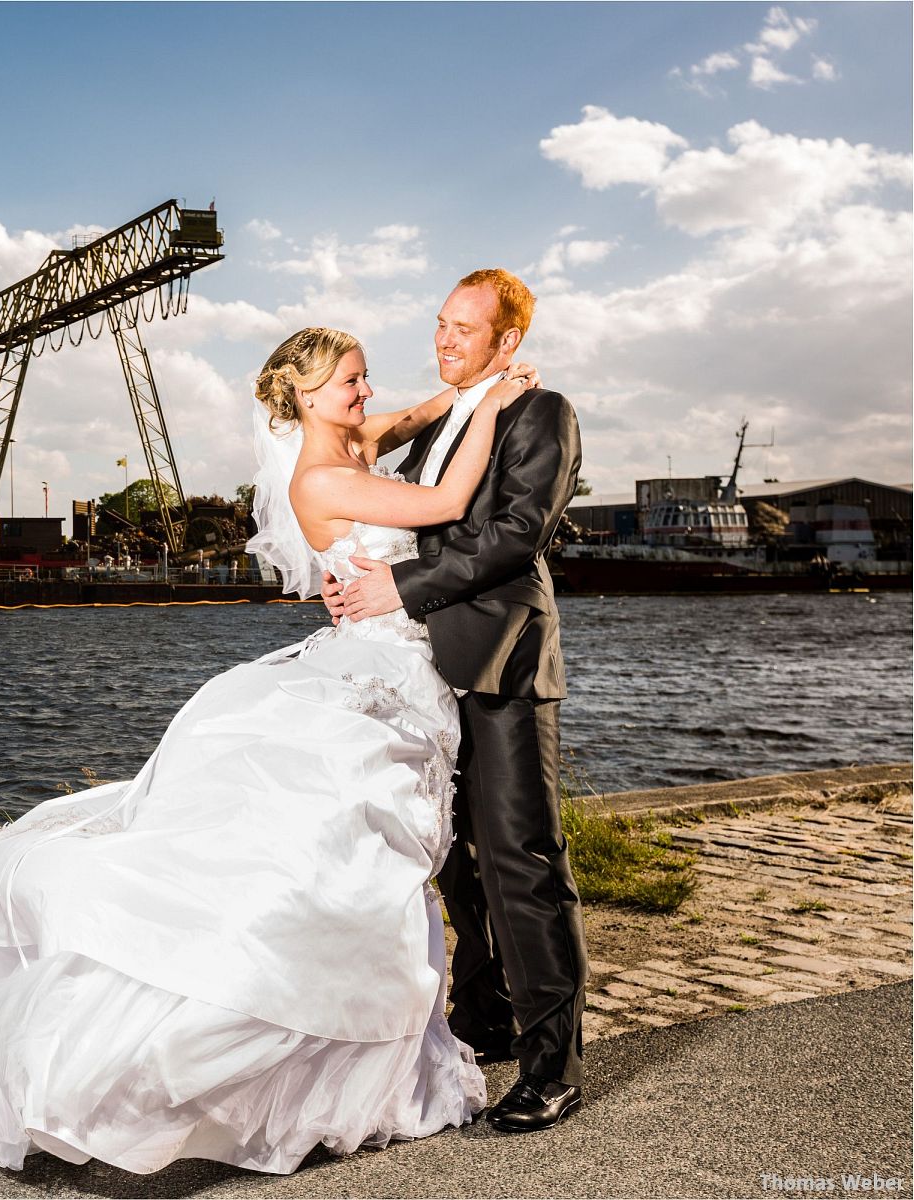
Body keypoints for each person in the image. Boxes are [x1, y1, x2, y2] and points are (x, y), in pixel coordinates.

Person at [0, 327, 537, 1175]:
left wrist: (464, 390)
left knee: (369, 856)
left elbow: (414, 414)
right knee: (343, 849)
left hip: (396, 667)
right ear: (304, 397)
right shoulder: (326, 474)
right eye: (350, 381)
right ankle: (299, 1052)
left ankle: (367, 1047)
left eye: (366, 377)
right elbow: (449, 502)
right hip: (380, 670)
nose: (367, 393)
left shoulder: (354, 442)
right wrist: (499, 399)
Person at [322, 268, 587, 1133]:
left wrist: (397, 586)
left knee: (521, 861)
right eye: (440, 324)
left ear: (508, 342)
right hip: (425, 675)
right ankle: (484, 1018)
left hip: (503, 664)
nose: (444, 341)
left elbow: (516, 536)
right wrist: (348, 580)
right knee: (454, 859)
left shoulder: (539, 415)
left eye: (464, 330)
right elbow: (393, 516)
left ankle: (555, 1067)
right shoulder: (438, 423)